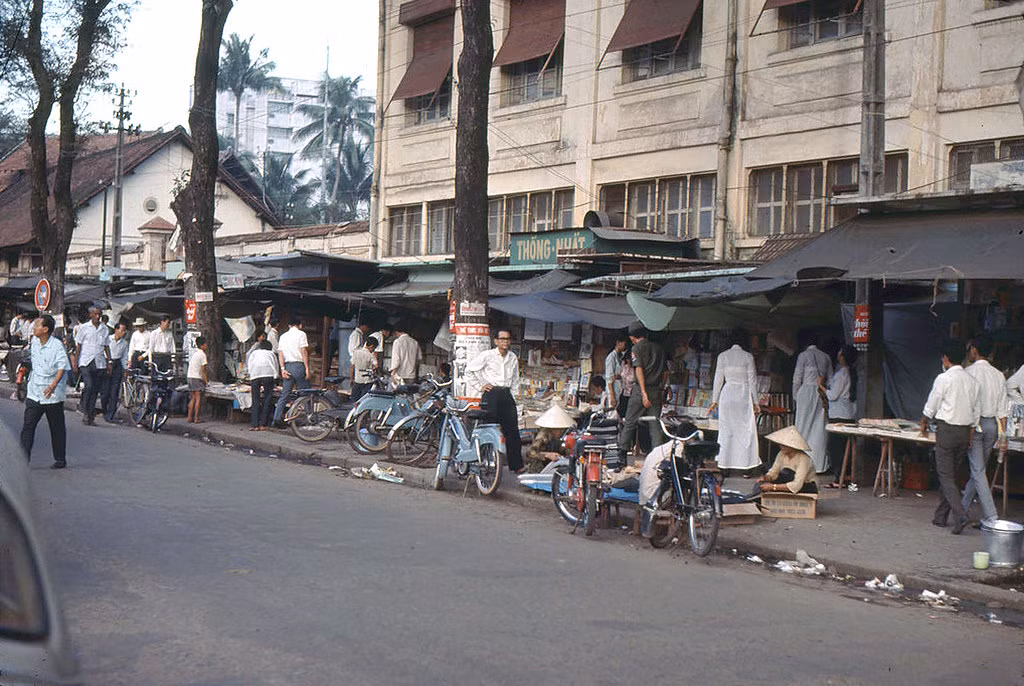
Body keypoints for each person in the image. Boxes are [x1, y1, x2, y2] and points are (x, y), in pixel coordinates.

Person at [921, 339, 979, 535]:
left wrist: (924, 420)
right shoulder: (972, 381)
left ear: (945, 358)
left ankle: (960, 514)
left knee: (945, 476)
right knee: (951, 477)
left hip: (947, 431)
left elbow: (932, 403)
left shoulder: (943, 378)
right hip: (964, 431)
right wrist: (971, 433)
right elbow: (975, 411)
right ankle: (940, 517)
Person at [961, 336, 1007, 526]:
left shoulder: (968, 373)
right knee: (977, 470)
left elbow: (967, 405)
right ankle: (961, 510)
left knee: (978, 471)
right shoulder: (999, 375)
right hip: (993, 426)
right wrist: (1003, 435)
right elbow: (1003, 409)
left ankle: (992, 516)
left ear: (974, 350)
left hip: (975, 426)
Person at [466, 329, 524, 474]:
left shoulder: (512, 357)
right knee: (488, 429)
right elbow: (469, 370)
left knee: (512, 431)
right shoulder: (488, 355)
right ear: (496, 341)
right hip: (491, 394)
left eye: (508, 339)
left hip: (506, 394)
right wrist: (481, 385)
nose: (505, 342)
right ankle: (485, 462)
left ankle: (516, 465)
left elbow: (516, 379)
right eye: (502, 339)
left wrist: (514, 396)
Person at [20, 315, 71, 469]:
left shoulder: (56, 346)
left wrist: (53, 385)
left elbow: (62, 367)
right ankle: (22, 460)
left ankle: (60, 459)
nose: (34, 328)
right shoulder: (34, 342)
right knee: (28, 426)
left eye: (37, 325)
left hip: (52, 395)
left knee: (56, 428)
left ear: (45, 329)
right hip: (34, 391)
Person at [708, 330, 761, 473]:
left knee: (727, 430)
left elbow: (718, 379)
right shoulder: (748, 357)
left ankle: (725, 465)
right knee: (745, 430)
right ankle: (746, 467)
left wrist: (715, 400)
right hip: (743, 396)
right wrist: (756, 402)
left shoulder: (723, 356)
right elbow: (752, 381)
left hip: (727, 394)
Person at [617, 323, 666, 459]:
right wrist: (662, 387)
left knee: (630, 422)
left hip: (640, 390)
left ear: (632, 337)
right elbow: (665, 371)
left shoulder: (636, 349)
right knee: (655, 424)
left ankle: (622, 455)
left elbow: (639, 370)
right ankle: (658, 456)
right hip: (656, 389)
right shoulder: (659, 348)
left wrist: (644, 393)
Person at [819, 345, 858, 488]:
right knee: (844, 448)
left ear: (842, 357)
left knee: (835, 448)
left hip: (839, 415)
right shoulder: (852, 373)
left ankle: (838, 478)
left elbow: (833, 395)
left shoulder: (842, 374)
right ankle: (845, 476)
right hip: (848, 414)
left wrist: (821, 386)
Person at [793, 334, 832, 473]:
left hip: (805, 392)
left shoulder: (803, 356)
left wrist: (796, 396)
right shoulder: (826, 357)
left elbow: (797, 378)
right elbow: (830, 379)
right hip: (820, 393)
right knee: (819, 428)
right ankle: (818, 465)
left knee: (802, 427)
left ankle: (798, 464)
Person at [74, 306, 110, 426]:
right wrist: (75, 362)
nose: (97, 316)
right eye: (95, 314)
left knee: (95, 390)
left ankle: (90, 416)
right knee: (88, 386)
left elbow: (106, 346)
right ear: (90, 315)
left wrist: (109, 362)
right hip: (86, 361)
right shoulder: (84, 328)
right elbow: (78, 346)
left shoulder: (104, 329)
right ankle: (84, 410)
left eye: (99, 314)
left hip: (99, 362)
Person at [756, 426, 819, 495]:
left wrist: (773, 487)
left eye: (785, 445)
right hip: (788, 481)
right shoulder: (781, 454)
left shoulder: (804, 459)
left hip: (806, 485)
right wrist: (766, 478)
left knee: (787, 473)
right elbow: (774, 471)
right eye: (781, 444)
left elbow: (797, 484)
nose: (781, 446)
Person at [273, 318, 311, 426]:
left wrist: (282, 369)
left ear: (289, 325)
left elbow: (280, 353)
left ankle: (277, 419)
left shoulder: (283, 336)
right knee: (306, 393)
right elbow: (303, 351)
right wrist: (307, 368)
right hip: (299, 365)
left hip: (288, 366)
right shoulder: (301, 334)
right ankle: (308, 418)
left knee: (285, 394)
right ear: (300, 325)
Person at [102, 321, 130, 424]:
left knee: (114, 392)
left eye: (124, 331)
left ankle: (110, 415)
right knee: (105, 391)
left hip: (117, 365)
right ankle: (104, 409)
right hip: (107, 363)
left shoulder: (124, 343)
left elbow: (124, 357)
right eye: (122, 330)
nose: (123, 333)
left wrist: (125, 369)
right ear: (116, 330)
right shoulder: (108, 340)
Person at [247, 340, 278, 431]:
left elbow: (250, 364)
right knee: (267, 399)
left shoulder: (254, 353)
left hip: (255, 375)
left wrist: (251, 374)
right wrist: (276, 376)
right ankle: (263, 424)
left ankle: (254, 424)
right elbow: (275, 366)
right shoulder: (271, 353)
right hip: (268, 375)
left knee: (255, 399)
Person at [186, 336, 209, 424]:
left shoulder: (195, 354)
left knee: (193, 398)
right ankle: (196, 418)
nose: (207, 345)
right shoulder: (202, 355)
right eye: (206, 344)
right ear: (202, 345)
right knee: (198, 398)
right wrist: (206, 381)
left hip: (190, 376)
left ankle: (189, 417)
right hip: (196, 377)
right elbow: (203, 370)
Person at [350, 337, 378, 402]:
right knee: (365, 400)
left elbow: (352, 367)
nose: (373, 350)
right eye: (374, 348)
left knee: (354, 399)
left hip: (357, 380)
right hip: (367, 381)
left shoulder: (356, 352)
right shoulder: (371, 355)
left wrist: (351, 379)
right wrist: (372, 369)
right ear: (371, 346)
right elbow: (376, 366)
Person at [604, 334, 628, 410]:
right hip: (613, 392)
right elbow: (609, 378)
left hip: (619, 390)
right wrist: (612, 396)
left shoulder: (620, 357)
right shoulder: (611, 357)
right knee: (612, 415)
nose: (625, 346)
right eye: (624, 343)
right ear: (618, 343)